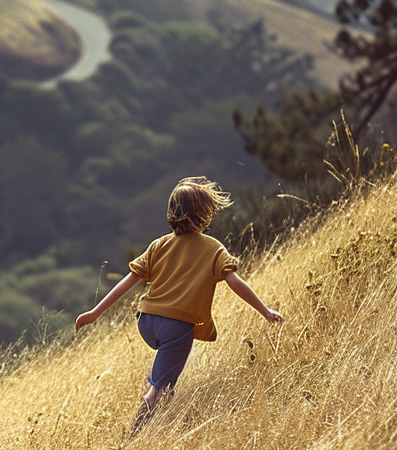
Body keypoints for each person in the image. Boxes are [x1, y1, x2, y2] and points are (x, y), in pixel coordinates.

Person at [75, 177, 282, 430]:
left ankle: (163, 394)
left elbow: (127, 282)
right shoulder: (213, 248)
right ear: (203, 214)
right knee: (158, 391)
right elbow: (236, 283)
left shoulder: (159, 245)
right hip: (176, 326)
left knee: (168, 377)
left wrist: (95, 313)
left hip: (147, 321)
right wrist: (265, 311)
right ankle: (133, 437)